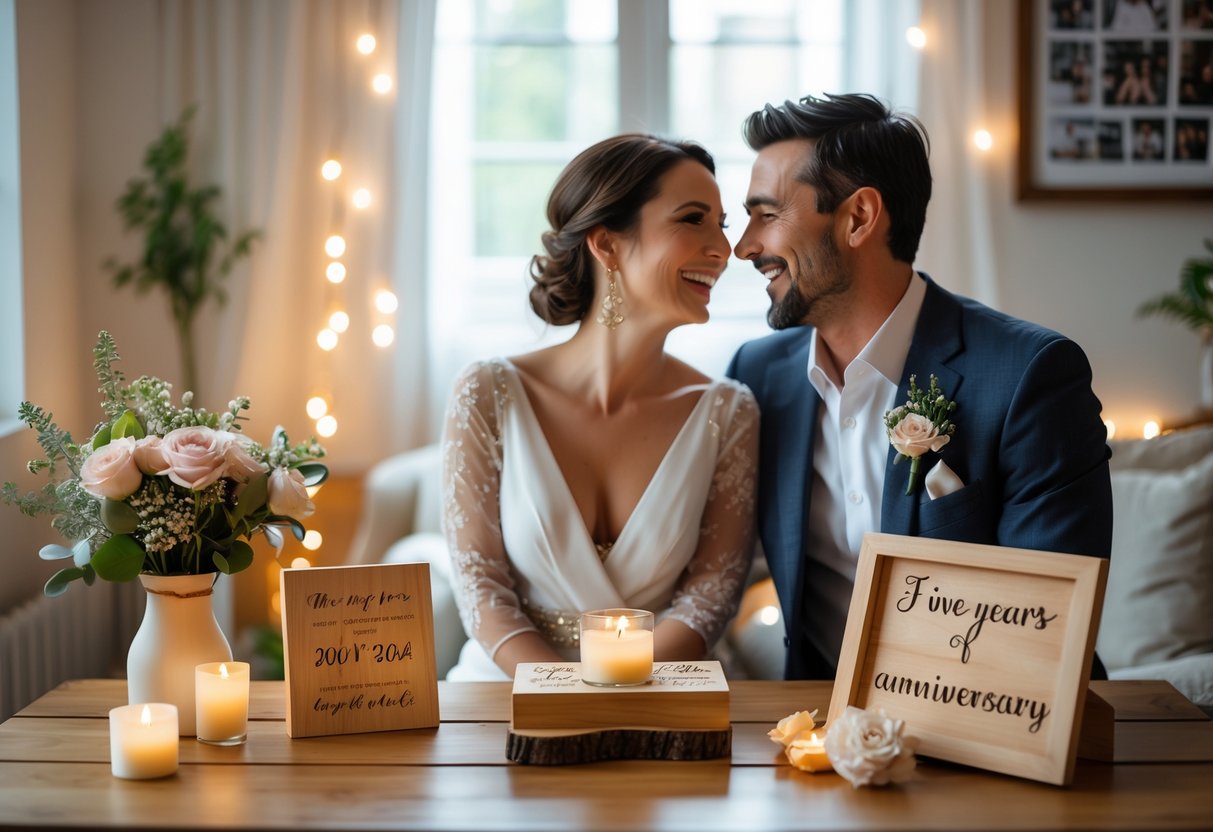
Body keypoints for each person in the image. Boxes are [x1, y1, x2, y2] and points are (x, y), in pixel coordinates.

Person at [725, 93, 1112, 680]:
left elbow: (1047, 624)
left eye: (768, 214)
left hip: (993, 723)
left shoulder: (1030, 375)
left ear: (858, 218)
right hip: (813, 730)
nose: (745, 246)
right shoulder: (757, 375)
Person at [441, 134, 759, 680]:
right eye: (692, 220)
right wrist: (559, 693)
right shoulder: (488, 394)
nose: (723, 250)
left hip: (665, 692)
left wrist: (613, 694)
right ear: (607, 244)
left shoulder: (727, 413)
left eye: (722, 225)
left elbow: (711, 596)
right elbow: (480, 586)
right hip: (507, 691)